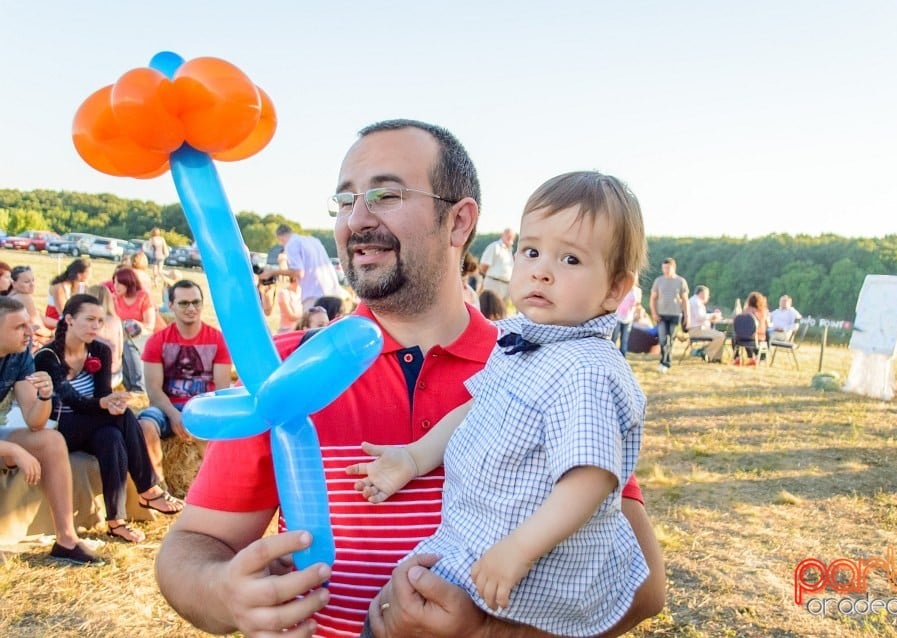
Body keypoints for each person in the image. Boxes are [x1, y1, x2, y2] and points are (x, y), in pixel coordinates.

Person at [155, 119, 664, 637]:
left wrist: (488, 634)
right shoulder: (283, 375)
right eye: (344, 200)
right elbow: (192, 546)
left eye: (385, 194)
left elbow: (643, 586)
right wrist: (226, 594)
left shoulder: (545, 367)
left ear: (460, 222)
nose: (356, 219)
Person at [348, 171, 649, 636]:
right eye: (531, 251)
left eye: (570, 259)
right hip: (474, 542)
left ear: (614, 289)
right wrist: (414, 456)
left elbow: (591, 478)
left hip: (527, 570)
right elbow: (477, 409)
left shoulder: (585, 368)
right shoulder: (524, 344)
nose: (541, 270)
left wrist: (518, 550)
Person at [34, 294, 183, 544]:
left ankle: (116, 522)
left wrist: (111, 403)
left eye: (100, 321)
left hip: (92, 424)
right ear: (69, 319)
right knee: (123, 418)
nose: (96, 326)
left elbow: (102, 395)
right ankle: (147, 488)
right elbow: (68, 398)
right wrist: (104, 404)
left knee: (111, 436)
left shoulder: (100, 350)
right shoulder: (47, 356)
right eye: (90, 319)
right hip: (59, 428)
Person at [0, 296, 102, 564]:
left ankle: (66, 540)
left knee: (51, 440)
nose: (30, 331)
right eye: (19, 327)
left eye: (28, 324)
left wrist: (45, 396)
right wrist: (12, 450)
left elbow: (35, 421)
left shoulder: (20, 356)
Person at [138, 280, 231, 485]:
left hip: (203, 405)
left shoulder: (217, 340)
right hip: (166, 406)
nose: (191, 308)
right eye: (184, 303)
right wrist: (174, 415)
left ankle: (212, 485)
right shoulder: (157, 341)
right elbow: (153, 390)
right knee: (144, 425)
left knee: (210, 433)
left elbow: (222, 390)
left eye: (196, 302)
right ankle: (157, 486)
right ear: (170, 305)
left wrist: (193, 417)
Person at [263, 224, 340, 307]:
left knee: (314, 319)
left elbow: (298, 272)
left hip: (313, 295)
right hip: (332, 292)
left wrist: (272, 272)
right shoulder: (314, 240)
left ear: (280, 238)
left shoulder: (291, 244)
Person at [112, 267, 156, 392]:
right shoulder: (115, 299)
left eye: (119, 283)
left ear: (128, 283)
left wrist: (136, 325)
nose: (116, 286)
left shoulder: (143, 297)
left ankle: (138, 387)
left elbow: (150, 325)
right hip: (123, 336)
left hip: (143, 335)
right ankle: (127, 385)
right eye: (114, 283)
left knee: (129, 345)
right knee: (119, 345)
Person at [649, 257, 689, 373]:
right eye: (664, 268)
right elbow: (652, 299)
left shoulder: (680, 281)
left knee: (670, 339)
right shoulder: (658, 281)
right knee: (662, 339)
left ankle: (666, 361)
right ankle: (663, 360)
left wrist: (687, 316)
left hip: (675, 314)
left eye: (668, 268)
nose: (666, 270)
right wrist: (654, 313)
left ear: (673, 267)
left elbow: (685, 300)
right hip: (661, 315)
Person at [87, 284, 124, 389]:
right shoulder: (116, 320)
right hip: (116, 371)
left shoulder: (90, 322)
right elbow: (120, 350)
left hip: (96, 372)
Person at [8, 265, 53, 345]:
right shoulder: (24, 297)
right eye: (27, 282)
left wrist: (59, 323)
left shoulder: (12, 295)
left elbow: (38, 317)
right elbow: (38, 327)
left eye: (33, 280)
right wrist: (52, 333)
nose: (32, 284)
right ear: (14, 283)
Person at [43, 258, 91, 331]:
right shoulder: (59, 288)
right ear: (79, 274)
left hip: (72, 321)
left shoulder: (83, 287)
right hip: (55, 323)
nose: (90, 276)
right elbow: (63, 312)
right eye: (88, 273)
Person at [687, 285, 725, 363]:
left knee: (720, 335)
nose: (708, 297)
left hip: (697, 328)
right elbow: (700, 317)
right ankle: (705, 353)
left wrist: (712, 317)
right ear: (702, 293)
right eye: (708, 295)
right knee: (721, 336)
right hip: (697, 330)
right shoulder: (696, 302)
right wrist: (713, 315)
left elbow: (700, 318)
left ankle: (715, 358)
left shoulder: (694, 301)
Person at [479, 227, 516, 304]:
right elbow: (483, 265)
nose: (510, 238)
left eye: (512, 237)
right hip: (494, 283)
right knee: (490, 309)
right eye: (508, 235)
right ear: (502, 235)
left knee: (502, 313)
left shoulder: (509, 250)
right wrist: (490, 278)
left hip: (506, 285)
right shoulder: (495, 246)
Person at [735, 291, 769, 366]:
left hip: (742, 339)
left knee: (738, 336)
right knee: (767, 335)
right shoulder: (763, 312)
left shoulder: (745, 311)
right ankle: (761, 358)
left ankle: (737, 357)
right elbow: (767, 324)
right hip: (758, 337)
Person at [611, 277, 642, 357]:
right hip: (618, 317)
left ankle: (622, 360)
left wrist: (639, 315)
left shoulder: (637, 291)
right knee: (613, 339)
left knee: (624, 340)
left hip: (629, 318)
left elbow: (638, 305)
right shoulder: (622, 289)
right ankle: (611, 357)